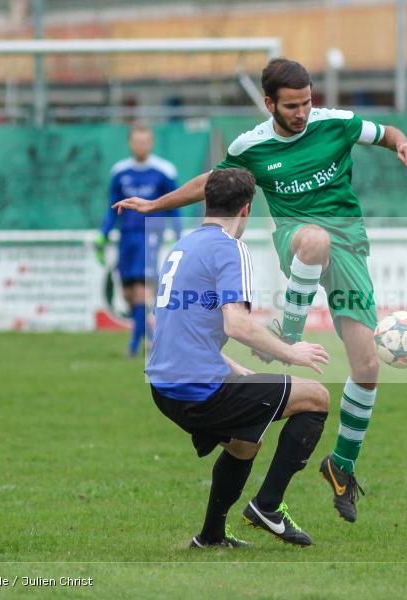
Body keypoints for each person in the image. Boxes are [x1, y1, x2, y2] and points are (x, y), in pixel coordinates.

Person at [113, 58, 407, 523]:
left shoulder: (335, 124)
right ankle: (288, 333)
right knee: (314, 238)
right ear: (270, 104)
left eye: (307, 102)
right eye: (292, 106)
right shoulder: (251, 145)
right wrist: (157, 204)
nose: (302, 113)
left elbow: (387, 132)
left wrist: (405, 143)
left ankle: (341, 467)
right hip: (297, 238)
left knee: (368, 366)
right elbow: (212, 183)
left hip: (351, 246)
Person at [148, 168, 331, 548]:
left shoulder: (182, 248)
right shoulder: (230, 248)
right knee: (316, 397)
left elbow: (179, 323)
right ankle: (268, 506)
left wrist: (233, 367)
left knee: (246, 441)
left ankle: (211, 537)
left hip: (164, 385)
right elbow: (237, 323)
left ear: (205, 202)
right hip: (199, 388)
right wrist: (291, 352)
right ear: (246, 209)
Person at [96, 123, 181, 357]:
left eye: (144, 141)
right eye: (137, 141)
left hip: (150, 232)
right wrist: (103, 233)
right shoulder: (120, 172)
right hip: (127, 235)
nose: (140, 145)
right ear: (130, 143)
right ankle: (151, 338)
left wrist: (178, 234)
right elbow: (112, 208)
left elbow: (174, 205)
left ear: (151, 143)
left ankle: (135, 346)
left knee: (142, 288)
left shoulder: (164, 171)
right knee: (127, 292)